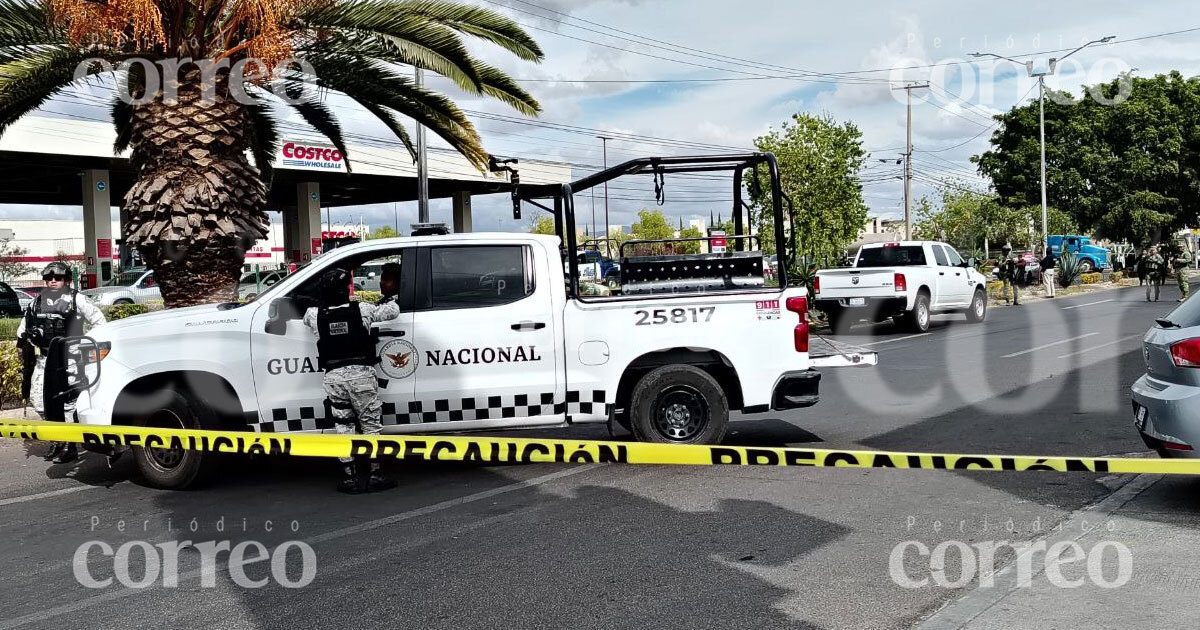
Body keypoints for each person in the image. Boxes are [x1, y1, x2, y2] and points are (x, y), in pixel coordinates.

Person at [303, 268, 400, 494]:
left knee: (343, 425)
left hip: (334, 377)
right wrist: (390, 296)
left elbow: (306, 316)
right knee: (370, 425)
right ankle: (375, 475)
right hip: (361, 376)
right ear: (348, 288)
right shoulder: (363, 309)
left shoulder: (313, 314)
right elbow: (393, 311)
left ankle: (350, 478)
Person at [15, 262, 106, 464]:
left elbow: (100, 323)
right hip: (44, 359)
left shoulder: (77, 299)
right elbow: (23, 330)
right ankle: (58, 438)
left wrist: (84, 346)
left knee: (67, 403)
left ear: (66, 280)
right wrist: (22, 346)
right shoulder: (36, 303)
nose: (53, 281)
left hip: (70, 359)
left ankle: (69, 444)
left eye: (58, 278)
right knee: (39, 401)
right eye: (49, 278)